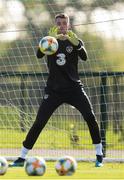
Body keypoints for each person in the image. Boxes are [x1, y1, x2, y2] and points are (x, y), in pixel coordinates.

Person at [9, 13, 103, 167]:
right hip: (53, 91)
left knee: (90, 117)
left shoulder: (75, 41)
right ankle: (21, 157)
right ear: (55, 25)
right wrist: (47, 40)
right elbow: (39, 55)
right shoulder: (49, 42)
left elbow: (84, 57)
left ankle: (99, 156)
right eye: (58, 23)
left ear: (69, 25)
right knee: (39, 122)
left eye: (64, 23)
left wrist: (77, 44)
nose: (61, 26)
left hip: (74, 89)